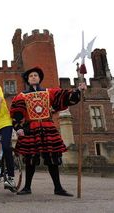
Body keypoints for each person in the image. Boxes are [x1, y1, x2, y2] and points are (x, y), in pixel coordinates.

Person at [10, 66, 87, 196]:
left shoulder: (49, 92)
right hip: (31, 128)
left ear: (39, 78)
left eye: (35, 75)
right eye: (31, 76)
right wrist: (18, 128)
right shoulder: (21, 96)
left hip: (47, 127)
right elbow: (16, 114)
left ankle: (58, 188)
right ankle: (27, 187)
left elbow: (65, 96)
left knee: (53, 157)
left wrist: (78, 90)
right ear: (28, 80)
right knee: (30, 158)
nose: (33, 77)